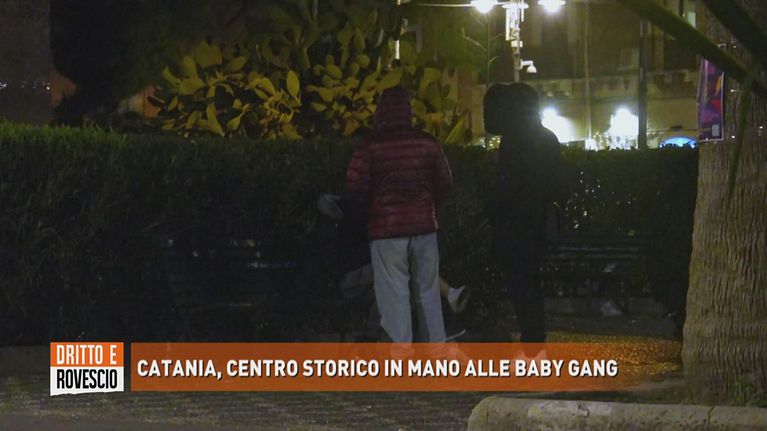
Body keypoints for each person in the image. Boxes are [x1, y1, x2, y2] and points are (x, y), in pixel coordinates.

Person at [345, 86, 453, 343]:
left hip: (386, 231)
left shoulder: (371, 145)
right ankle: (436, 352)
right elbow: (445, 183)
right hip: (425, 226)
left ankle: (401, 355)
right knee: (428, 290)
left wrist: (370, 212)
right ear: (408, 111)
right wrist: (428, 207)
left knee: (394, 294)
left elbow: (355, 186)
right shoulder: (428, 142)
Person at [483, 83, 561, 343]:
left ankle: (531, 339)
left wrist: (493, 202)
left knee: (521, 283)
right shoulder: (547, 138)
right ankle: (533, 339)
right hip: (537, 221)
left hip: (516, 225)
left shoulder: (515, 141)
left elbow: (510, 184)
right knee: (530, 282)